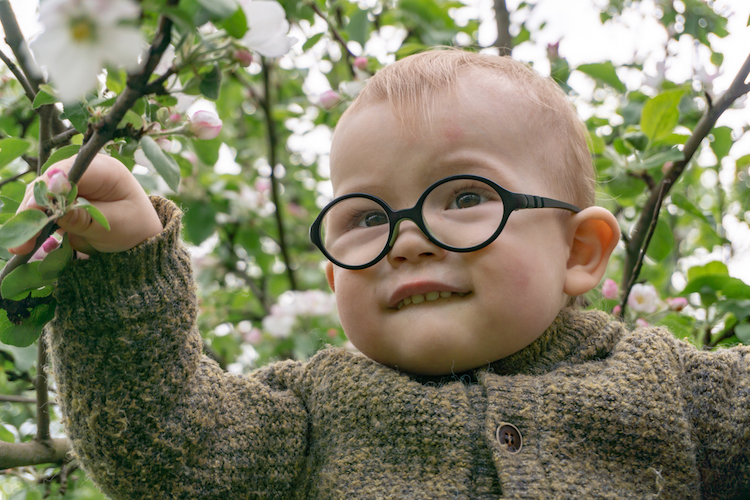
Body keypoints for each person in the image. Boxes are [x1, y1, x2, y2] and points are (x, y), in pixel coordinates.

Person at [10, 49, 749, 499]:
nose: (404, 241)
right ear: (336, 280)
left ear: (579, 253)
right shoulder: (313, 413)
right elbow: (162, 443)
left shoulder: (671, 386)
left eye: (464, 197)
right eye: (364, 218)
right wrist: (124, 265)